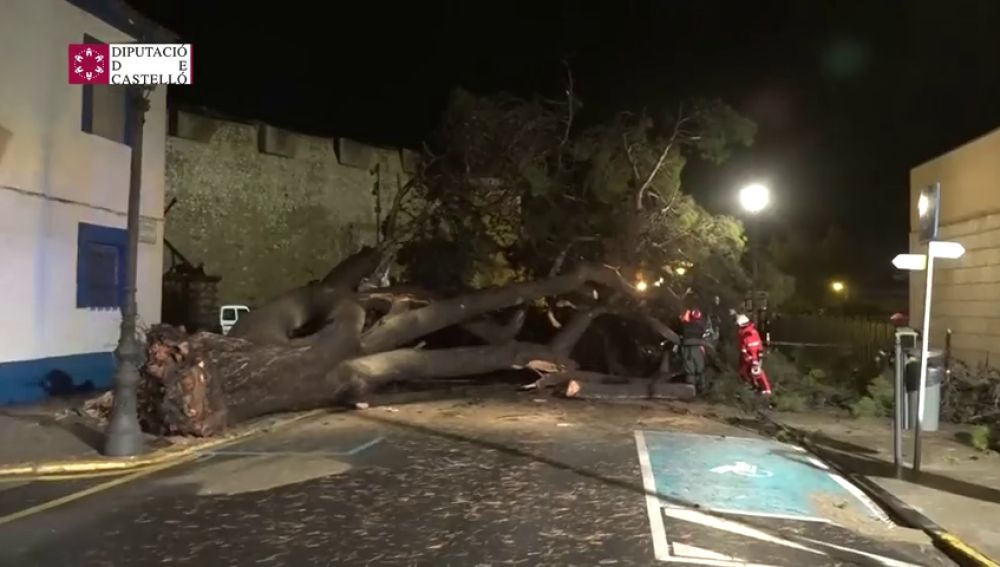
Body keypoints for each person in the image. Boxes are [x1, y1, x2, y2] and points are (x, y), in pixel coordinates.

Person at [736, 314, 772, 396]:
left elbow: (745, 347)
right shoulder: (753, 332)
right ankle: (759, 388)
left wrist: (751, 358)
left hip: (752, 357)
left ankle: (765, 390)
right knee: (748, 373)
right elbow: (758, 346)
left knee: (755, 373)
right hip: (752, 357)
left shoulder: (744, 335)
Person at [679, 308, 709, 393]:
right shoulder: (701, 326)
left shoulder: (685, 325)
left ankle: (690, 389)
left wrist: (687, 313)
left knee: (689, 369)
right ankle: (702, 389)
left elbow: (682, 322)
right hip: (698, 346)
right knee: (700, 368)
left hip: (687, 347)